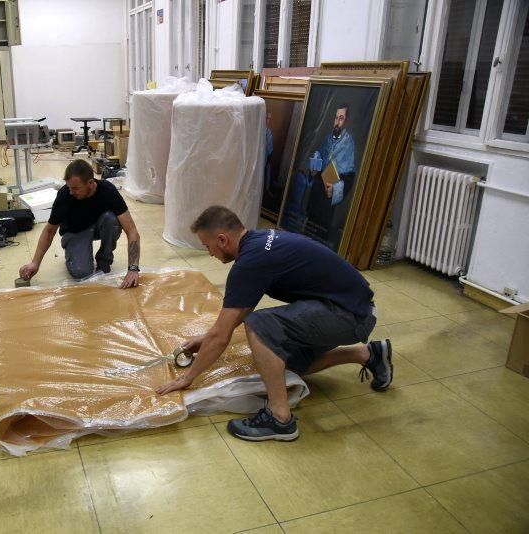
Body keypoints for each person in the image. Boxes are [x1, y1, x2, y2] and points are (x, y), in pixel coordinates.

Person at [156, 206, 392, 442]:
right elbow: (234, 315)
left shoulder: (251, 262)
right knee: (286, 366)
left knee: (259, 324)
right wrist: (205, 339)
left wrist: (188, 378)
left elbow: (223, 335)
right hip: (352, 307)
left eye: (208, 246)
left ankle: (279, 418)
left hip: (350, 314)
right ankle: (368, 354)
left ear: (222, 239)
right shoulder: (258, 243)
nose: (210, 254)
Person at [19, 159, 141, 289]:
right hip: (74, 231)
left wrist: (133, 269)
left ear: (90, 183)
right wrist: (35, 263)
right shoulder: (65, 195)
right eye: (69, 187)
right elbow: (49, 231)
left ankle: (104, 261)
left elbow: (131, 230)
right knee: (82, 273)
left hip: (97, 227)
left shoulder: (107, 190)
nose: (71, 192)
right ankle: (73, 251)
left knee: (112, 220)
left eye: (76, 188)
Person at [282, 104, 356, 249]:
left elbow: (350, 176)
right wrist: (314, 169)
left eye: (341, 118)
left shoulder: (349, 143)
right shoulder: (328, 138)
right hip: (316, 192)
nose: (337, 121)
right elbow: (318, 163)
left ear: (346, 121)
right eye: (336, 118)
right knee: (309, 225)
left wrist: (335, 189)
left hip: (329, 195)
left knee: (321, 233)